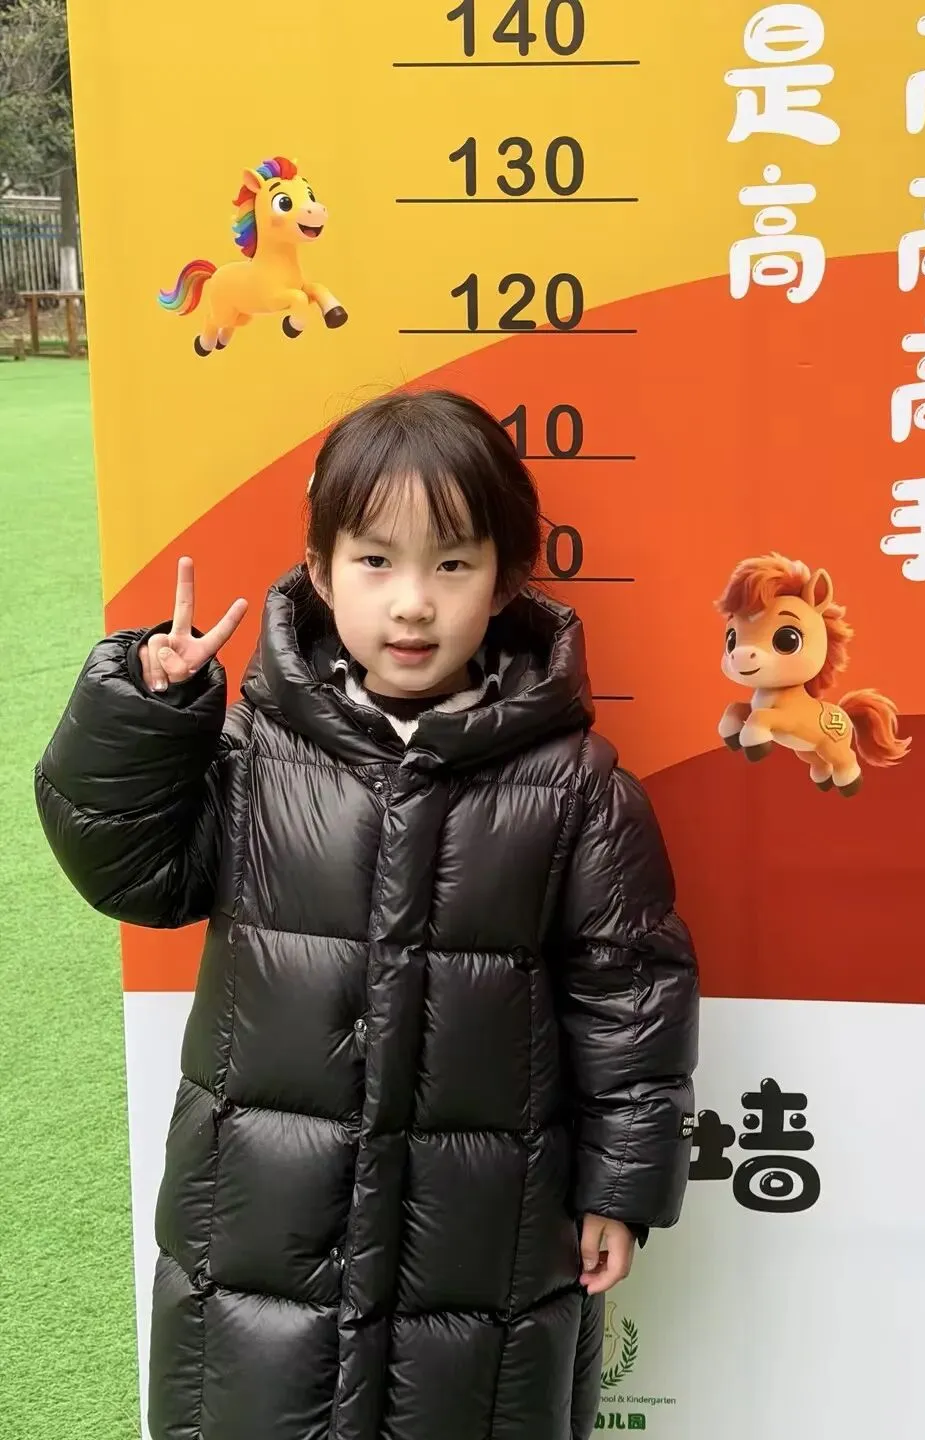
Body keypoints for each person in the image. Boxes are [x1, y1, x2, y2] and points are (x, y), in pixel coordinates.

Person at [34, 388, 700, 1440]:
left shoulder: (575, 787)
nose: (413, 605)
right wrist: (148, 713)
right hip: (259, 1224)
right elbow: (132, 874)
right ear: (321, 569)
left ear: (505, 581)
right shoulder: (253, 753)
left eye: (452, 564)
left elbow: (629, 997)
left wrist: (620, 1186)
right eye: (376, 561)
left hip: (484, 1236)